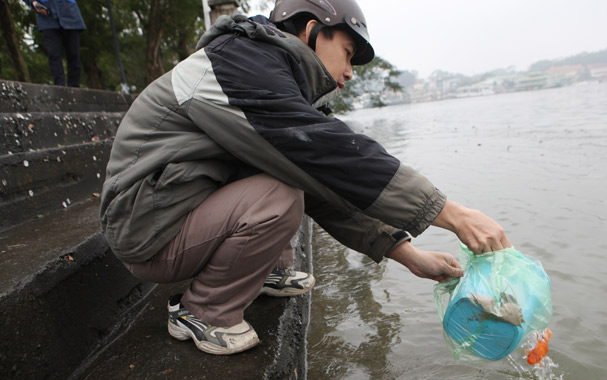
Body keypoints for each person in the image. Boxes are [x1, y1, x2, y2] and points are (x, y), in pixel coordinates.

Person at [100, 0, 511, 356]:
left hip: (177, 207)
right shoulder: (238, 64)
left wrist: (407, 255)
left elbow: (325, 181)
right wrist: (453, 215)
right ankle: (202, 310)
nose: (350, 73)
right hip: (146, 227)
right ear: (313, 31)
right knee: (279, 192)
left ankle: (261, 274)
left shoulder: (264, 71)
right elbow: (332, 155)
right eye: (348, 54)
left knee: (290, 174)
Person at [24, 0, 86, 87]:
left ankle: (74, 86)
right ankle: (59, 86)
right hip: (46, 15)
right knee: (53, 53)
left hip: (69, 13)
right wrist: (33, 3)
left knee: (74, 53)